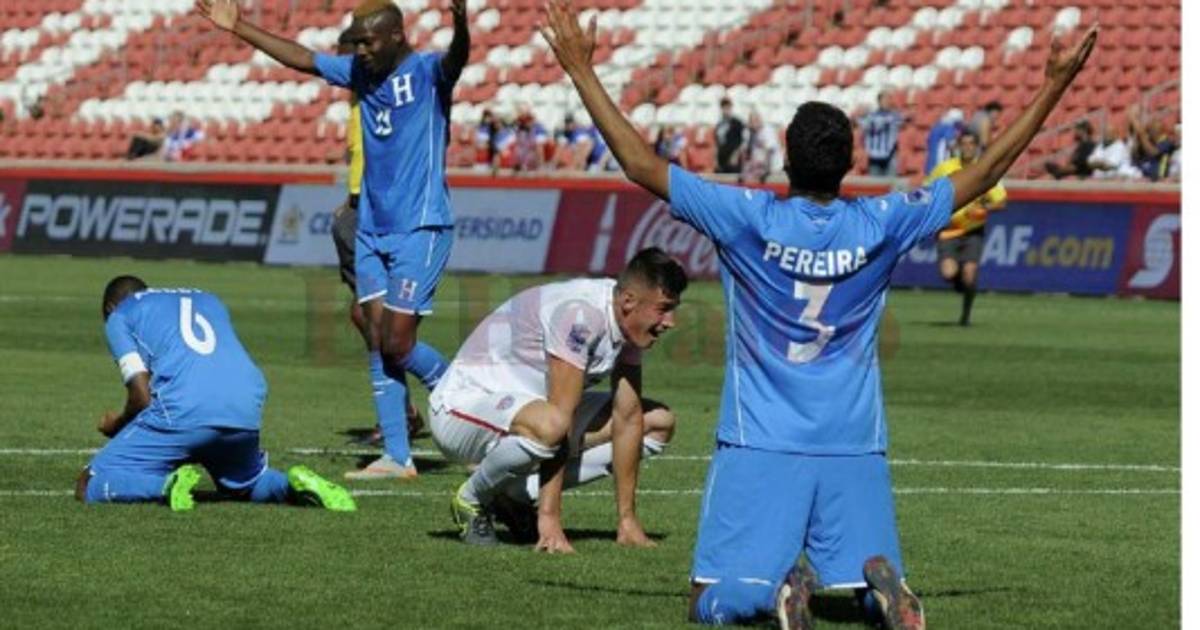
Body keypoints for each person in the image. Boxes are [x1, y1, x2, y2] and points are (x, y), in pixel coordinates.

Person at [539, 3, 1096, 627]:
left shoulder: (746, 217)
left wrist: (580, 69)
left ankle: (774, 595)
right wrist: (1054, 86)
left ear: (786, 157)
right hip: (853, 441)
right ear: (850, 163)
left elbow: (641, 165)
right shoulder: (883, 222)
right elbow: (986, 171)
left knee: (707, 598)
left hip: (761, 438)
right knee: (859, 573)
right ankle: (882, 597)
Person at [197, 0, 469, 480]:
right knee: (376, 336)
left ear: (396, 36)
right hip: (371, 228)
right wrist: (239, 26)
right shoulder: (360, 73)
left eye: (368, 41)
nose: (360, 50)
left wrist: (462, 24)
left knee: (399, 343)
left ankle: (474, 409)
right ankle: (398, 457)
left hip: (420, 226)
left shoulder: (428, 72)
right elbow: (303, 59)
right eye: (356, 43)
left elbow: (457, 59)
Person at [433, 247, 686, 551]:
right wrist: (549, 518)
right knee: (553, 425)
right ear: (629, 301)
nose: (670, 321)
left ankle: (515, 494)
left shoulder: (628, 321)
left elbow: (628, 416)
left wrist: (627, 520)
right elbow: (562, 416)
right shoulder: (580, 317)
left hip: (530, 413)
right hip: (461, 408)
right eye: (663, 309)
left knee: (656, 422)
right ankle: (471, 499)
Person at [77, 276, 356, 512]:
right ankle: (290, 484)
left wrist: (117, 424)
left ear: (109, 308)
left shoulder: (119, 315)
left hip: (184, 412)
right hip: (244, 409)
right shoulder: (209, 299)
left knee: (87, 483)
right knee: (247, 482)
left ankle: (166, 485)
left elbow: (141, 397)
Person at [329, 29, 424, 449]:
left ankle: (408, 410)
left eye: (351, 54)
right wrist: (349, 200)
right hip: (358, 209)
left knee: (379, 321)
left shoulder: (383, 94)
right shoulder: (357, 102)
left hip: (379, 216)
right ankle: (402, 411)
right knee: (366, 317)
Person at [928, 130, 1006, 326]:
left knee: (970, 275)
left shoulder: (984, 169)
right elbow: (928, 191)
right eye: (964, 143)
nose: (967, 147)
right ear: (958, 146)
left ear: (977, 147)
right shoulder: (945, 168)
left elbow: (1001, 201)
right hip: (948, 229)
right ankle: (960, 283)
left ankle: (965, 316)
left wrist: (984, 208)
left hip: (973, 231)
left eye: (971, 144)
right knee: (948, 273)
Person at [858, 90, 906, 176]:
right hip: (874, 156)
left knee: (891, 182)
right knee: (875, 182)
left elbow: (904, 120)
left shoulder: (895, 115)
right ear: (879, 101)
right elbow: (863, 124)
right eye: (885, 99)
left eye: (889, 99)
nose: (888, 102)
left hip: (890, 155)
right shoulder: (871, 116)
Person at [923, 108, 963, 175]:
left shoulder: (936, 127)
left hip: (930, 165)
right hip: (940, 166)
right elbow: (951, 145)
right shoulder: (948, 128)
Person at [715, 97, 745, 174]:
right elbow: (717, 143)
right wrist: (716, 159)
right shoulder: (719, 124)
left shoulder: (737, 123)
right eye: (724, 108)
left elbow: (742, 141)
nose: (725, 110)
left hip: (733, 157)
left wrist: (736, 155)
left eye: (727, 108)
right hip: (722, 157)